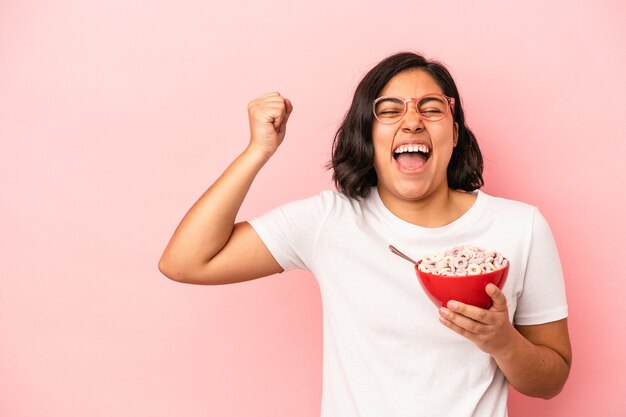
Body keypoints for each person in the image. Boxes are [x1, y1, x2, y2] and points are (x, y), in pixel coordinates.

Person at [159, 52, 572, 417]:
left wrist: (502, 342)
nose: (412, 121)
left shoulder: (520, 227)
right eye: (389, 110)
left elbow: (550, 381)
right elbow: (185, 263)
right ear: (368, 135)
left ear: (455, 134)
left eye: (431, 109)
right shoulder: (329, 222)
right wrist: (258, 150)